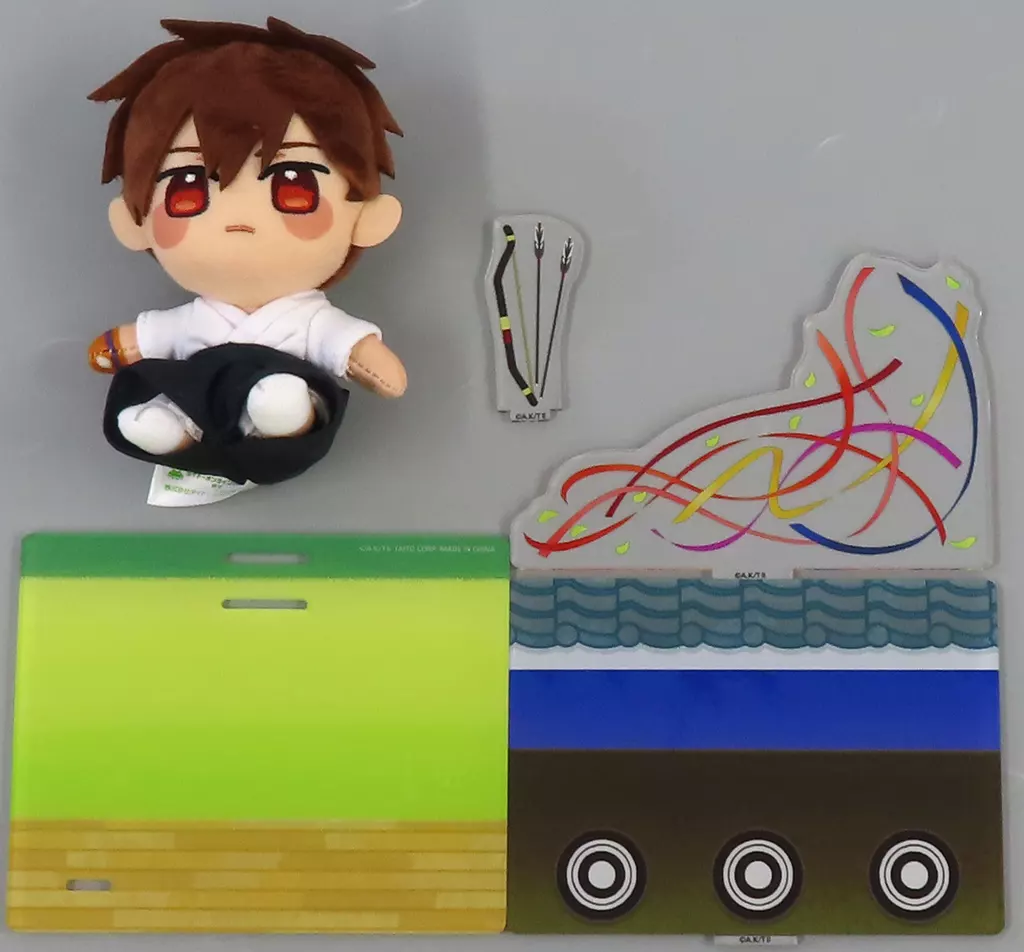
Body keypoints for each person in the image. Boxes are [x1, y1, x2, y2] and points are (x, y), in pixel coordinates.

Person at [86, 16, 407, 485]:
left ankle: (283, 422)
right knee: (173, 395)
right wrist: (118, 347)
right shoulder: (195, 319)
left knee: (283, 392)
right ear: (137, 223)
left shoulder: (309, 321)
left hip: (289, 409)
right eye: (187, 187)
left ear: (364, 218)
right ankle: (177, 433)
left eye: (294, 185)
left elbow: (351, 350)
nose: (239, 215)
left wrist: (372, 362)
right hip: (206, 404)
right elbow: (150, 337)